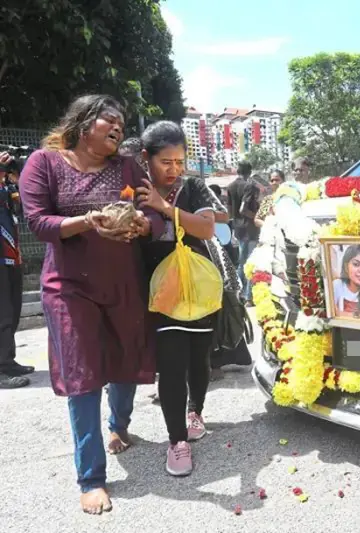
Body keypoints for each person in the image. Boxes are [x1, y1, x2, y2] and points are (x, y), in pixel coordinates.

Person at [19, 94, 163, 514]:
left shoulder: (127, 167)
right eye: (109, 120)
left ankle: (118, 425)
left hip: (123, 285)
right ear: (84, 124)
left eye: (121, 122)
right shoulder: (44, 163)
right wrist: (87, 221)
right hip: (68, 287)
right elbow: (37, 222)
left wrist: (142, 224)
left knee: (123, 363)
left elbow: (152, 215)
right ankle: (91, 476)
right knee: (82, 374)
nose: (118, 127)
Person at [135, 121, 220, 477]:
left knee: (199, 357)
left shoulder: (194, 187)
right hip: (160, 290)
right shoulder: (133, 188)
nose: (174, 169)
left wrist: (164, 208)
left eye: (179, 161)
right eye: (166, 161)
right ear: (146, 158)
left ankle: (195, 410)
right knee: (170, 365)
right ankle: (176, 442)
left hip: (198, 286)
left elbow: (206, 228)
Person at [0, 152, 34, 389]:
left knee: (11, 312)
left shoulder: (8, 187)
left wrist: (17, 174)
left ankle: (7, 360)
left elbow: (22, 209)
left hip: (11, 256)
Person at [227, 161, 260, 305]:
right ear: (250, 171)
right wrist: (258, 217)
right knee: (251, 262)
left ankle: (237, 293)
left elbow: (230, 211)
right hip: (250, 229)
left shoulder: (230, 187)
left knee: (241, 263)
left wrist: (233, 226)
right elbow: (243, 209)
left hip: (238, 228)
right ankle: (248, 297)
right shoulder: (250, 186)